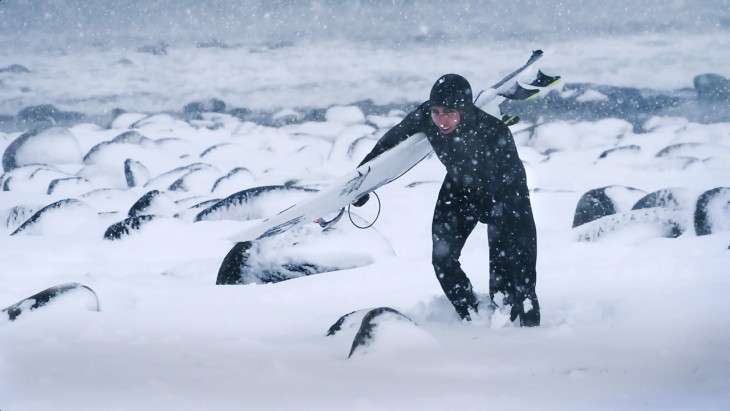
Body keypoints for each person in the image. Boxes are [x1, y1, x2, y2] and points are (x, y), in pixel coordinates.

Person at [354, 74, 540, 326]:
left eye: (449, 112)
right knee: (442, 259)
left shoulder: (495, 132)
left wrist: (525, 285)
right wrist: (361, 184)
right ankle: (470, 315)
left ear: (463, 108)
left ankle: (516, 327)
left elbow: (516, 197)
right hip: (459, 188)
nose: (441, 120)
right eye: (436, 111)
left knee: (508, 273)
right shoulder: (425, 117)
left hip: (504, 196)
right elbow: (388, 144)